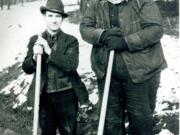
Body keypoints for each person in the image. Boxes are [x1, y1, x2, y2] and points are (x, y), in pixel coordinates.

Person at [80, 0, 167, 135]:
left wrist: (125, 42)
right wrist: (102, 35)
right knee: (111, 123)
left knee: (141, 123)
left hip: (140, 74)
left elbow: (155, 30)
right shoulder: (96, 4)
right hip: (107, 74)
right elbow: (85, 28)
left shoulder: (142, 2)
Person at [22, 0, 90, 134]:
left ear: (62, 19)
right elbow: (26, 68)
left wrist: (49, 51)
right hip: (44, 97)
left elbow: (71, 65)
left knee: (69, 132)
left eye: (58, 16)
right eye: (50, 16)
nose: (54, 20)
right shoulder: (35, 40)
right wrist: (35, 58)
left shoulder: (71, 41)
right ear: (44, 17)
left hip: (67, 96)